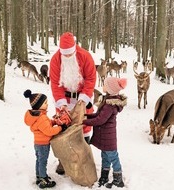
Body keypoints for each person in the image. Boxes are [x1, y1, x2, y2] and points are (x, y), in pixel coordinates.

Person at [49, 32, 97, 175]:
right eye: (65, 55)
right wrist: (61, 103)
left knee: (84, 127)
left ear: (74, 49)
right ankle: (63, 161)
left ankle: (85, 159)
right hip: (64, 98)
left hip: (82, 97)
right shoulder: (55, 60)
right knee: (63, 128)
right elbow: (55, 84)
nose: (68, 57)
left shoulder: (85, 56)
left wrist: (84, 98)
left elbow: (91, 78)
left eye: (70, 54)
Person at [82, 77, 127, 188]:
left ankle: (118, 178)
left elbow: (100, 120)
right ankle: (104, 176)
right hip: (105, 136)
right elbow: (98, 115)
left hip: (108, 137)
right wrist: (86, 116)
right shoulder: (107, 101)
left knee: (113, 157)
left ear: (110, 89)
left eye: (105, 85)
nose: (103, 86)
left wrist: (85, 122)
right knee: (105, 157)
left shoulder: (109, 105)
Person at [23, 89, 66, 189]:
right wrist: (60, 128)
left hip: (38, 143)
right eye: (45, 103)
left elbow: (46, 124)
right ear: (39, 105)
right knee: (43, 161)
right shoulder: (41, 117)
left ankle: (39, 175)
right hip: (43, 144)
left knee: (39, 160)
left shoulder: (38, 115)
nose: (47, 104)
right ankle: (43, 178)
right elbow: (49, 131)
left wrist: (54, 122)